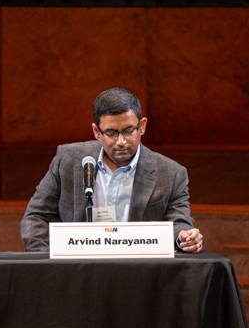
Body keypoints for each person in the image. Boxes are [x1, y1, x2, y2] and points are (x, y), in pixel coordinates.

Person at [20, 87, 204, 252]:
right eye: (111, 133)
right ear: (96, 132)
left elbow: (178, 223)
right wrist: (49, 261)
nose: (121, 141)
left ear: (142, 126)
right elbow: (36, 217)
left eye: (128, 131)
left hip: (138, 272)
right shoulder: (67, 160)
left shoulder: (171, 173)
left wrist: (185, 238)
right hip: (77, 271)